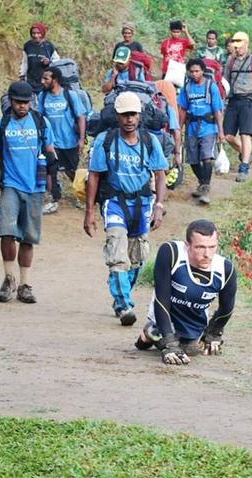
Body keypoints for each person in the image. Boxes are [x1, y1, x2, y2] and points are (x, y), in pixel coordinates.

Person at [83, 92, 167, 326]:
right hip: (115, 203)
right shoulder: (105, 141)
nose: (129, 119)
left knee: (136, 258)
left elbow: (160, 175)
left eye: (133, 114)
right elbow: (94, 176)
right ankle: (124, 305)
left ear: (139, 116)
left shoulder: (150, 141)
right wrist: (89, 211)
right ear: (117, 116)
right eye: (124, 115)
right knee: (117, 252)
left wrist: (159, 206)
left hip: (142, 204)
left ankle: (121, 294)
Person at [0, 81, 56, 304]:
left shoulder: (41, 123)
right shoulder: (1, 124)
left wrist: (51, 181)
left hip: (35, 187)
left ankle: (25, 284)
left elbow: (49, 151)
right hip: (10, 185)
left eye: (26, 103)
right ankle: (9, 279)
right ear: (11, 101)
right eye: (18, 102)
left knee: (28, 237)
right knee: (7, 232)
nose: (22, 107)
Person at [134, 219, 237, 365]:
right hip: (165, 314)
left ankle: (154, 335)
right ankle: (152, 331)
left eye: (212, 247)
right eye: (200, 247)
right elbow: (161, 298)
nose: (207, 254)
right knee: (171, 347)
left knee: (192, 350)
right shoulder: (171, 252)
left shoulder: (226, 269)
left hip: (194, 322)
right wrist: (169, 343)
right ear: (187, 245)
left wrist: (214, 332)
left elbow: (227, 308)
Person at [39, 67, 87, 214]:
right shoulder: (42, 96)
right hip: (51, 142)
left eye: (46, 78)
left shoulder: (69, 95)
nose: (43, 81)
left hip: (70, 141)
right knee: (51, 170)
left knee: (72, 171)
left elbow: (81, 117)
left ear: (55, 80)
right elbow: (40, 117)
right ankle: (54, 199)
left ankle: (83, 196)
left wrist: (81, 139)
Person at [178, 58, 225, 204]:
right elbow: (183, 109)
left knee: (206, 157)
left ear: (203, 71)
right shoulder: (186, 88)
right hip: (192, 127)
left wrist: (221, 131)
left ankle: (205, 189)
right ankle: (203, 183)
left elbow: (217, 110)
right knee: (192, 160)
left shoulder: (211, 87)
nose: (194, 74)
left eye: (197, 71)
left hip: (208, 127)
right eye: (191, 71)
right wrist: (179, 129)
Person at [223, 31, 252, 182]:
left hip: (248, 101)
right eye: (235, 46)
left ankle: (244, 166)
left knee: (245, 134)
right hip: (233, 101)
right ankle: (246, 153)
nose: (237, 49)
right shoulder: (230, 61)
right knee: (227, 135)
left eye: (240, 45)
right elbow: (225, 83)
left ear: (247, 44)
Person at [20, 22, 60, 93]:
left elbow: (57, 62)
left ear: (43, 33)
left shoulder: (49, 46)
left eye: (38, 33)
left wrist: (48, 63)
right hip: (30, 81)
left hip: (45, 83)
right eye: (33, 33)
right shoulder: (27, 46)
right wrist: (22, 76)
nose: (36, 35)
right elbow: (24, 62)